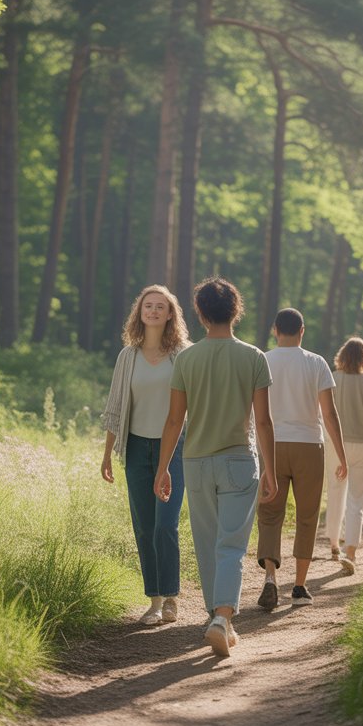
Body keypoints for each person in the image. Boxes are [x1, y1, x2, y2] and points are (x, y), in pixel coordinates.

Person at [155, 278, 277, 659]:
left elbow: (174, 421)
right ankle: (223, 618)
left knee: (207, 545)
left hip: (196, 462)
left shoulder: (187, 359)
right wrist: (270, 471)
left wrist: (163, 469)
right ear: (235, 311)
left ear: (202, 314)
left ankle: (218, 618)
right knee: (231, 545)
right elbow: (265, 421)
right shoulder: (254, 357)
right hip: (240, 460)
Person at [100, 285, 190, 626]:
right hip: (136, 448)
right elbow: (115, 409)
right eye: (147, 306)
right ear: (140, 313)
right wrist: (108, 454)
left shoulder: (182, 354)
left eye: (160, 306)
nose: (152, 311)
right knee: (144, 526)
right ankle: (154, 601)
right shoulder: (128, 357)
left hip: (175, 449)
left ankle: (171, 598)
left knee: (165, 525)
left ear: (170, 314)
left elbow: (193, 407)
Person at [256, 309, 348, 611]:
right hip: (309, 445)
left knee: (270, 512)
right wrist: (342, 455)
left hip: (271, 445)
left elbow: (253, 412)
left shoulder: (262, 359)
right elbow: (329, 414)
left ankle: (270, 576)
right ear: (302, 331)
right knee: (307, 516)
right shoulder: (316, 362)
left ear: (274, 330)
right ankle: (298, 585)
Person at [321, 337, 363, 576]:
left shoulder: (332, 379)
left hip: (336, 445)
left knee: (335, 492)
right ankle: (351, 551)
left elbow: (324, 414)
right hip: (362, 447)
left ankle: (334, 544)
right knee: (356, 501)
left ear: (342, 356)